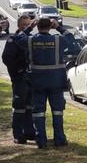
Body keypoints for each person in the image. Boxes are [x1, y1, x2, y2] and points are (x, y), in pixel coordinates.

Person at [22, 18, 79, 149]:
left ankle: (41, 140)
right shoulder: (58, 40)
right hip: (56, 82)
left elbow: (17, 39)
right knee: (57, 111)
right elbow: (72, 40)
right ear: (50, 27)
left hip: (37, 82)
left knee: (38, 112)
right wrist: (59, 27)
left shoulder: (30, 40)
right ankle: (59, 139)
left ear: (37, 27)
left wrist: (29, 28)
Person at [1, 15, 35, 144]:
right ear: (19, 25)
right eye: (24, 25)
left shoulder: (30, 39)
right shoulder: (13, 39)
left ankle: (29, 131)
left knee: (30, 106)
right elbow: (7, 58)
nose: (26, 27)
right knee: (19, 106)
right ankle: (18, 134)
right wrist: (18, 70)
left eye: (28, 24)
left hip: (31, 78)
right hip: (19, 78)